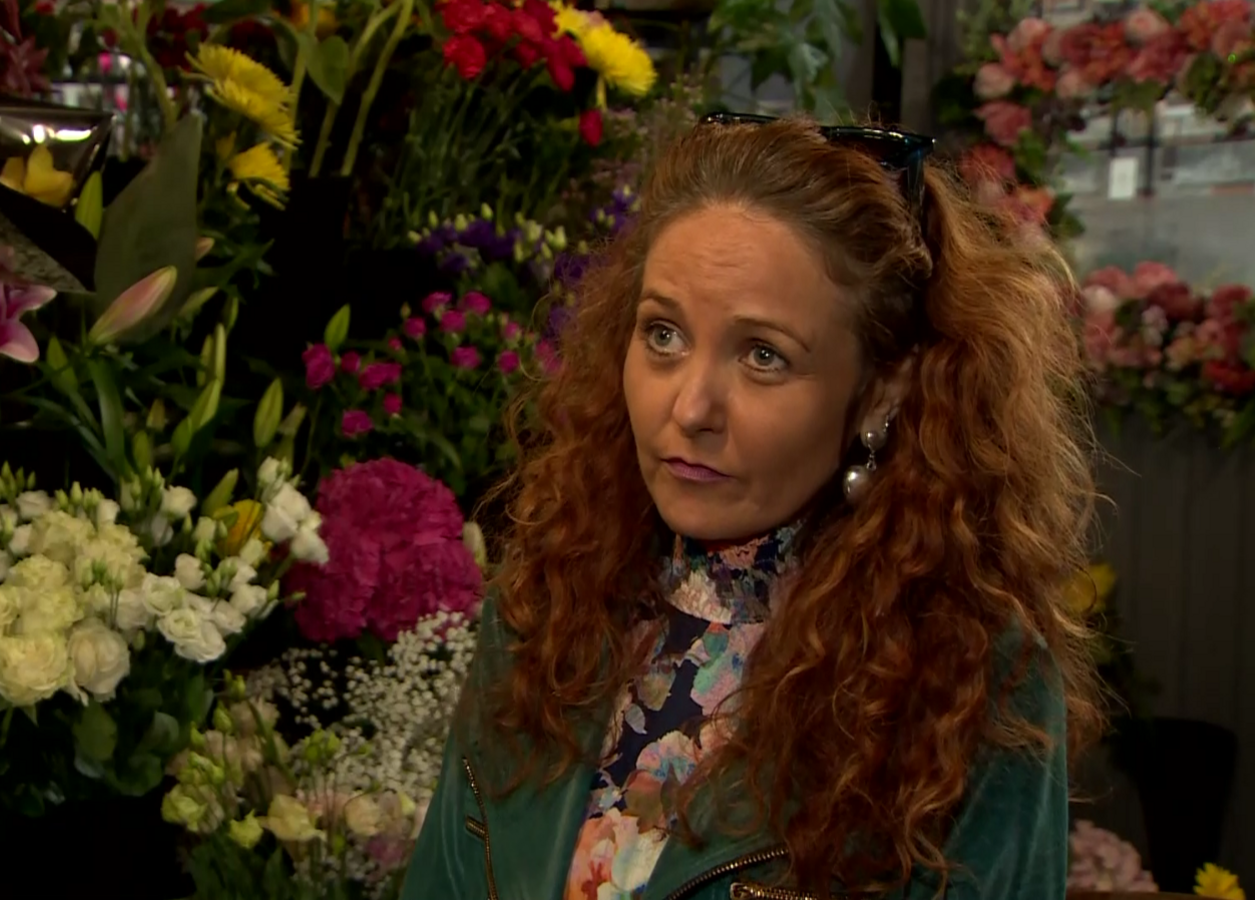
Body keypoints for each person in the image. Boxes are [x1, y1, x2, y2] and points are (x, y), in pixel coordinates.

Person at [399, 114, 1102, 900]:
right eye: (663, 334)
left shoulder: (969, 679)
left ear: (883, 390)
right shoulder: (546, 606)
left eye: (763, 356)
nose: (691, 406)